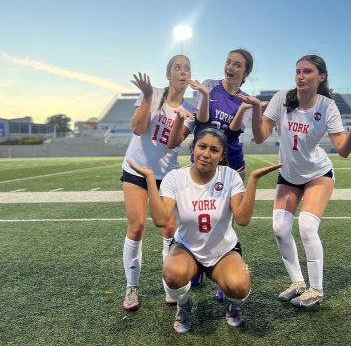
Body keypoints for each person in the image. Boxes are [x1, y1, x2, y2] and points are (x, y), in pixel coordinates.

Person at [237, 55, 351, 307]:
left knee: (306, 226)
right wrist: (257, 110)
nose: (300, 76)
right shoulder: (282, 98)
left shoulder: (327, 106)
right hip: (289, 175)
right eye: (297, 71)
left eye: (307, 71)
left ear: (321, 77)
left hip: (318, 174)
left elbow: (343, 150)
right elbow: (260, 136)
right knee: (280, 229)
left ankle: (316, 289)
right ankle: (298, 282)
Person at [127, 127, 282, 333]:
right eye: (202, 147)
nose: (206, 154)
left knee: (241, 284)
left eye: (214, 150)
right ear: (193, 148)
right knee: (172, 274)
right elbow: (162, 220)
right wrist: (149, 179)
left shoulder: (230, 176)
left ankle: (232, 304)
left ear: (222, 155)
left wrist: (252, 180)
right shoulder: (175, 178)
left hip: (224, 250)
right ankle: (184, 306)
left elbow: (242, 220)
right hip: (187, 249)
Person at [167, 48, 255, 301]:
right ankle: (194, 259)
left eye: (237, 65)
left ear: (245, 72)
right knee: (194, 207)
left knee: (228, 216)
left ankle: (222, 269)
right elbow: (202, 120)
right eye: (228, 62)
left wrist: (242, 108)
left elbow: (234, 131)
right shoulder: (209, 85)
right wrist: (205, 94)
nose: (230, 67)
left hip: (231, 160)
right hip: (204, 157)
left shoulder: (246, 99)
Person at [120, 55, 195, 311]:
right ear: (168, 74)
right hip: (137, 168)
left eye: (187, 68)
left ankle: (170, 286)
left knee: (169, 230)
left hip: (166, 175)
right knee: (137, 227)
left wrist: (181, 120)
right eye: (177, 67)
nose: (182, 71)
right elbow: (138, 129)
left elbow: (172, 144)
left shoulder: (190, 111)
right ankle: (132, 288)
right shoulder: (152, 93)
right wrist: (148, 97)